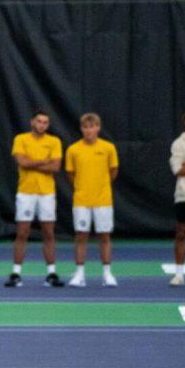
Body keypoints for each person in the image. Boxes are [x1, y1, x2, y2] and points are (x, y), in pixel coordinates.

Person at [6, 110, 63, 288]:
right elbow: (22, 162)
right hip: (26, 192)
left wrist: (33, 162)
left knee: (48, 233)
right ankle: (16, 273)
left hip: (46, 193)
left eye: (45, 122)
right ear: (32, 122)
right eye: (39, 121)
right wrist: (42, 161)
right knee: (22, 233)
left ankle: (51, 274)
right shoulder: (20, 139)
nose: (42, 125)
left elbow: (55, 166)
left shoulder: (54, 141)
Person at [64, 113, 120, 288]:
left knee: (104, 236)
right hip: (81, 200)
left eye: (92, 126)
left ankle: (107, 274)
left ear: (98, 128)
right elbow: (70, 174)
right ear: (81, 129)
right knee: (81, 236)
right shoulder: (73, 149)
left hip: (103, 200)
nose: (89, 130)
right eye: (85, 127)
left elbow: (113, 171)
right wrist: (83, 187)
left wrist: (100, 186)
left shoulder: (108, 148)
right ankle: (80, 275)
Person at [169, 112, 185, 287]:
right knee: (181, 233)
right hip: (184, 194)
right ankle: (179, 274)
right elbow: (178, 170)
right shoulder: (179, 144)